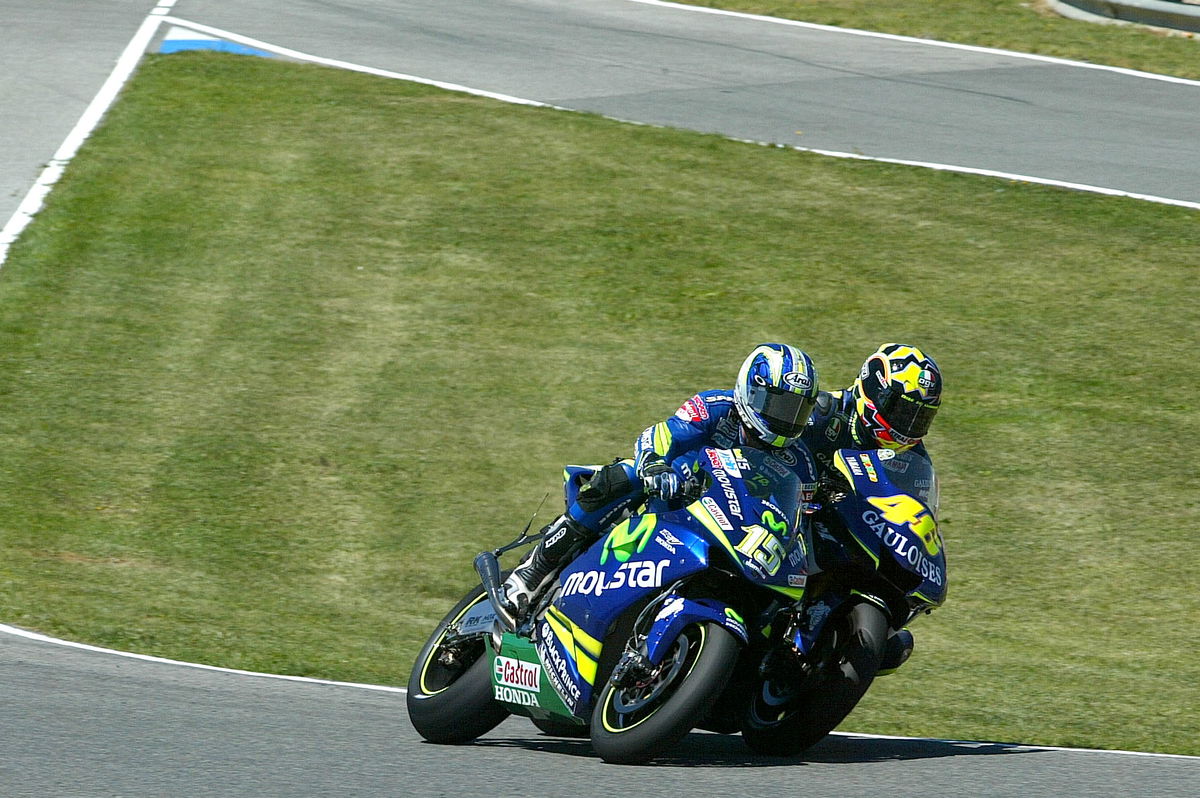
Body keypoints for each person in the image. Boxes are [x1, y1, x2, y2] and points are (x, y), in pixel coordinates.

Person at [502, 343, 822, 618]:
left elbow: (796, 523)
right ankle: (535, 570)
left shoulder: (800, 461)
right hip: (672, 500)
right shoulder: (715, 407)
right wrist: (655, 465)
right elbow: (662, 435)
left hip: (733, 538)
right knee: (625, 475)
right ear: (752, 391)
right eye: (780, 405)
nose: (787, 419)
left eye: (798, 410)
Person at [801, 342, 942, 674]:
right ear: (873, 390)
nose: (908, 424)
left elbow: (914, 515)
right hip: (791, 522)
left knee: (892, 645)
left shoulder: (915, 463)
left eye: (920, 416)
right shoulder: (821, 413)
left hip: (850, 540)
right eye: (902, 410)